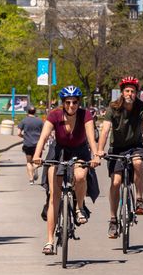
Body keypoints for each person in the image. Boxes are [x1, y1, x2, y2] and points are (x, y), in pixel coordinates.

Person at [32, 85, 101, 255]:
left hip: (80, 151)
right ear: (63, 103)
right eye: (68, 102)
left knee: (80, 175)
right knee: (54, 196)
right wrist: (37, 155)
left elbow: (91, 138)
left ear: (79, 102)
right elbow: (43, 137)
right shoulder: (54, 115)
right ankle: (49, 241)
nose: (71, 105)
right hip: (59, 151)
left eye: (74, 102)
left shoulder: (85, 115)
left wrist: (96, 156)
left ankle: (79, 208)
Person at [97, 77, 143, 238]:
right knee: (116, 182)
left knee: (138, 163)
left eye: (133, 91)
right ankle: (113, 219)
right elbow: (105, 130)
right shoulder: (113, 107)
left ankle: (139, 199)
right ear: (122, 92)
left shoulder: (142, 107)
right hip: (117, 148)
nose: (130, 94)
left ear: (137, 93)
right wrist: (99, 150)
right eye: (127, 91)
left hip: (135, 146)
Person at [17, 106, 44, 184]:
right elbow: (44, 132)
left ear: (27, 112)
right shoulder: (40, 121)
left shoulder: (24, 121)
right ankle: (35, 167)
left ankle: (31, 179)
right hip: (38, 145)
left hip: (27, 144)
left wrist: (24, 136)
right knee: (37, 161)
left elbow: (18, 133)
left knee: (29, 162)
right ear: (35, 112)